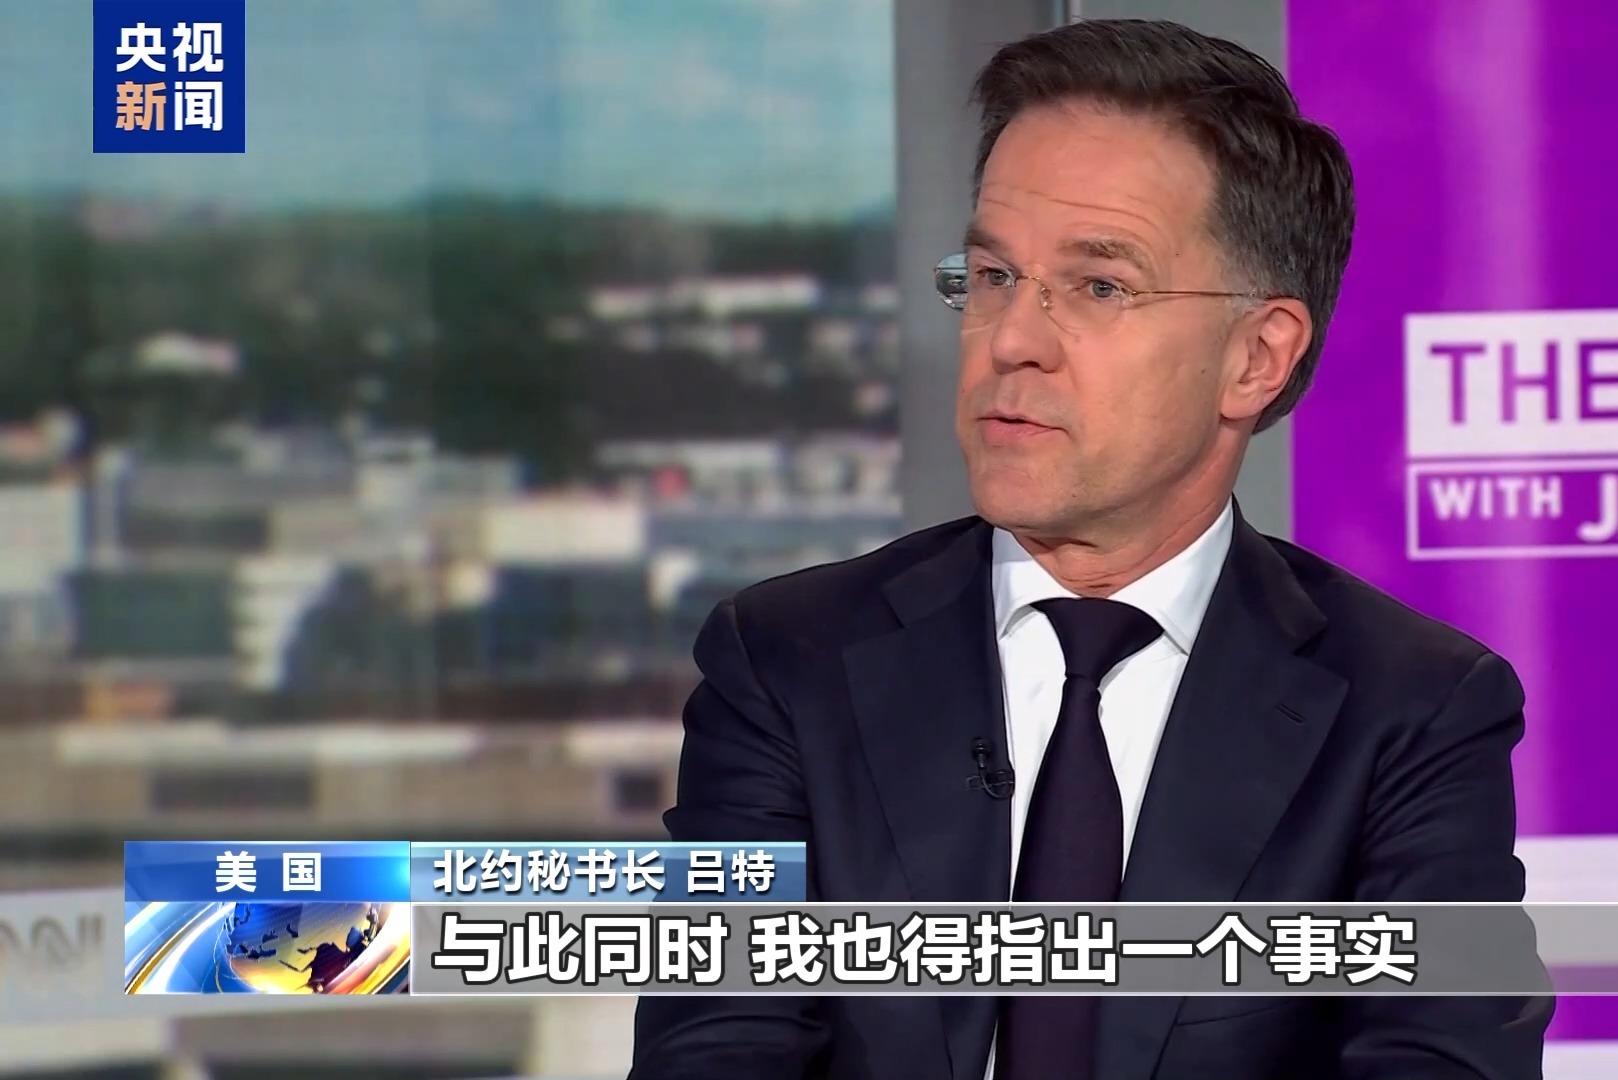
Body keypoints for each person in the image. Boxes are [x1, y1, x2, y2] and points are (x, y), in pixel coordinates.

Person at [630, 17, 1551, 1080]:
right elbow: (717, 1050)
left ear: (1257, 357)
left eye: (1099, 286)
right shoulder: (785, 664)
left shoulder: (1412, 711)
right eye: (992, 276)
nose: (1013, 340)